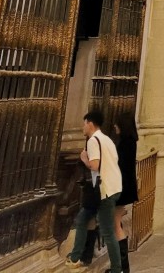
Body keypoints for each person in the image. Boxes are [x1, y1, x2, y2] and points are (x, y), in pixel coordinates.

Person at [65, 110, 122, 273]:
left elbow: (95, 165)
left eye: (84, 123)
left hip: (104, 190)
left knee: (107, 231)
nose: (83, 127)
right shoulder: (107, 140)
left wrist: (84, 158)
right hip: (112, 187)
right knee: (83, 219)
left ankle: (117, 269)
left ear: (90, 123)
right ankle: (76, 257)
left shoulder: (93, 141)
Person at [113, 112, 139, 273]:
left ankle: (122, 268)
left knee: (115, 225)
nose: (114, 126)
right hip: (126, 187)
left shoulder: (125, 143)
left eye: (117, 123)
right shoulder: (131, 142)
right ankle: (120, 267)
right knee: (115, 224)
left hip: (121, 188)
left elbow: (120, 166)